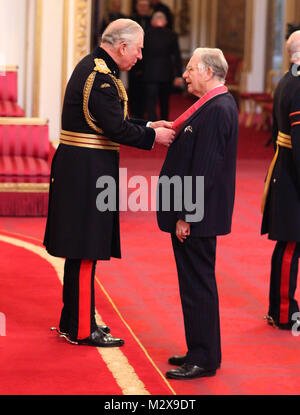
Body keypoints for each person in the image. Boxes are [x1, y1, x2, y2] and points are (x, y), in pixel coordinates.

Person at [44, 19, 175, 347]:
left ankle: (72, 320)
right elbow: (115, 130)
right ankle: (81, 329)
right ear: (122, 47)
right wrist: (153, 136)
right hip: (86, 172)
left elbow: (109, 121)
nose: (141, 56)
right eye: (139, 48)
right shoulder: (100, 78)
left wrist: (146, 123)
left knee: (80, 249)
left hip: (82, 168)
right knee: (86, 249)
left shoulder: (94, 68)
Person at [156, 48, 239, 379]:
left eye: (190, 69)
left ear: (207, 71)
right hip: (195, 212)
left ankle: (204, 357)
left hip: (198, 216)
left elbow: (205, 168)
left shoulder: (217, 108)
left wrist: (186, 215)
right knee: (191, 285)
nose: (185, 74)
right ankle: (199, 349)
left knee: (198, 285)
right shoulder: (211, 105)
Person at [261, 30, 300, 330]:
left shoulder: (288, 79)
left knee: (289, 244)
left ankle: (281, 307)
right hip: (291, 172)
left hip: (284, 168)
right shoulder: (298, 84)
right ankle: (284, 311)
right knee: (290, 244)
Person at [143, 11, 183, 121]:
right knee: (164, 102)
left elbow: (142, 55)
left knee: (151, 102)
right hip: (166, 73)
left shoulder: (145, 34)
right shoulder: (172, 35)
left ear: (152, 22)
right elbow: (176, 56)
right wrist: (178, 74)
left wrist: (140, 71)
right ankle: (164, 122)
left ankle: (151, 125)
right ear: (165, 22)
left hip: (150, 72)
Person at [129, 0, 152, 118]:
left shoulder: (151, 21)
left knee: (146, 93)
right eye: (141, 6)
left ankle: (143, 116)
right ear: (137, 7)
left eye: (145, 6)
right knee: (133, 91)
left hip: (148, 63)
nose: (143, 8)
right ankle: (133, 115)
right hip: (132, 62)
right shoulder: (131, 20)